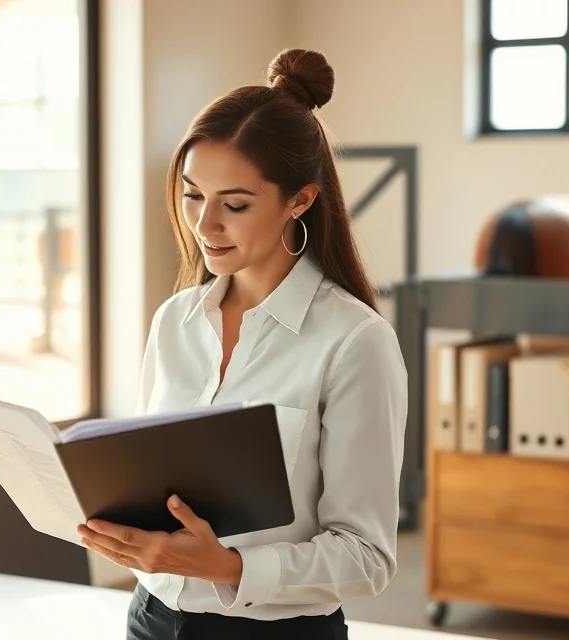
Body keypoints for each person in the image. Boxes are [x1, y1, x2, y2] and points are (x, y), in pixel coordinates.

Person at [76, 48, 408, 639]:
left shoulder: (356, 343)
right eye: (192, 194)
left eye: (234, 204)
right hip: (151, 620)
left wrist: (229, 568)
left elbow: (368, 556)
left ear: (300, 200)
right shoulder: (175, 321)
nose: (205, 225)